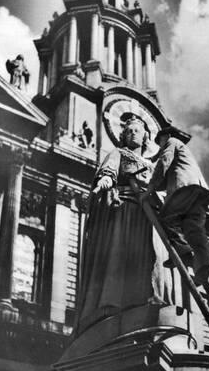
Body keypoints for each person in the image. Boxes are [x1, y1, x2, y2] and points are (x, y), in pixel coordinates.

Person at [73, 116, 170, 337]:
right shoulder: (119, 154)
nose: (133, 133)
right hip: (126, 212)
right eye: (128, 131)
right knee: (121, 256)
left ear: (145, 135)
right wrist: (103, 183)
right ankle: (114, 303)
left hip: (149, 217)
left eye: (137, 130)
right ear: (123, 136)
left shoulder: (153, 164)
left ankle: (148, 299)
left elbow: (162, 188)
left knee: (148, 258)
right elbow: (108, 173)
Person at [141, 126, 209, 286]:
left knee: (167, 218)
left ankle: (183, 252)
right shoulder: (184, 151)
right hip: (200, 191)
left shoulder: (171, 141)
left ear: (165, 136)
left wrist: (149, 188)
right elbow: (168, 173)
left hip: (185, 187)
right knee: (193, 228)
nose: (160, 146)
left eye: (160, 142)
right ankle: (204, 265)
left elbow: (164, 162)